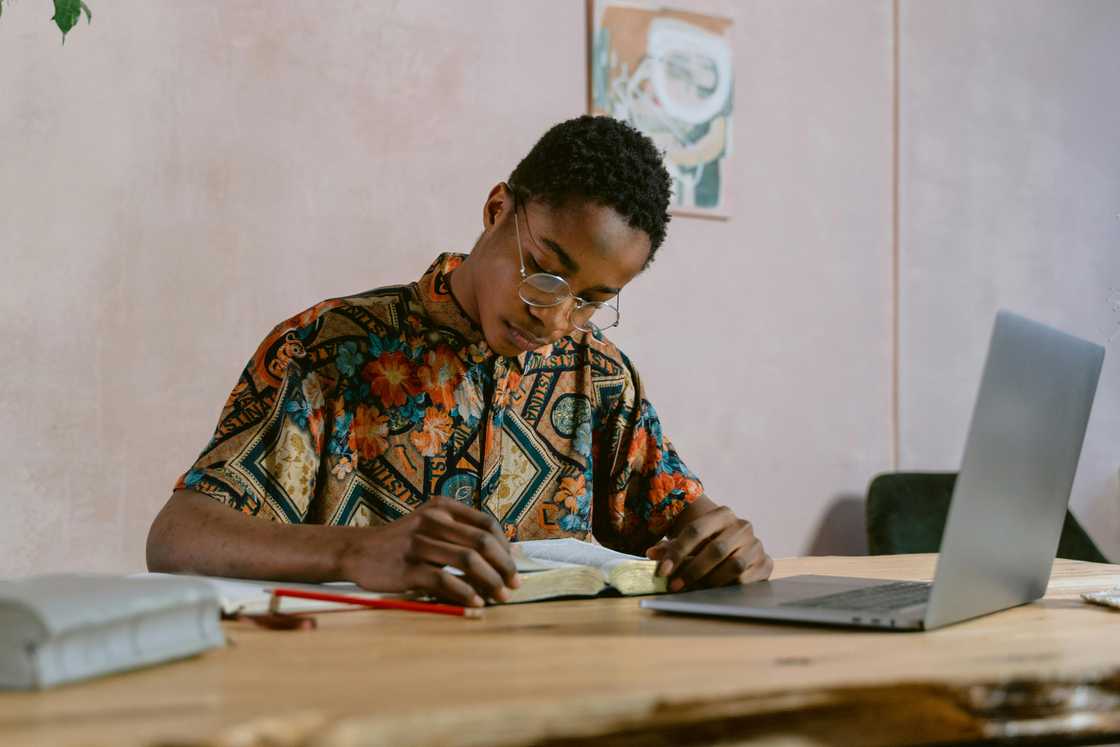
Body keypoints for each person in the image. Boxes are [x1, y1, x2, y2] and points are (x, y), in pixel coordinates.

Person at [147, 115, 772, 607]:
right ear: (497, 209)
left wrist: (727, 546)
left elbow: (695, 524)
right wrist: (353, 552)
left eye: (591, 300)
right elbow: (179, 536)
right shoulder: (326, 349)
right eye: (546, 275)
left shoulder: (601, 378)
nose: (554, 320)